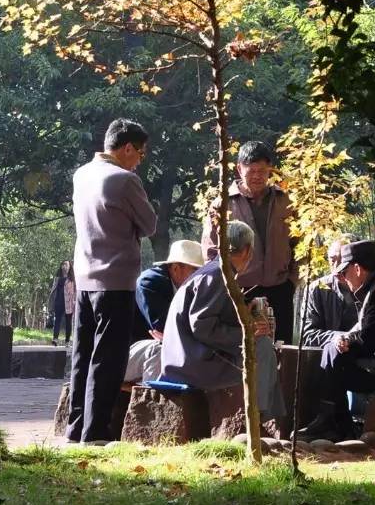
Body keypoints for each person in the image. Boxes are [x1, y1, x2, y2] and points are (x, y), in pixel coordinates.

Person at [67, 118, 157, 443]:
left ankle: (75, 428)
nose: (140, 160)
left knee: (83, 354)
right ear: (127, 148)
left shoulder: (82, 174)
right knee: (109, 358)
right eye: (141, 154)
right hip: (116, 279)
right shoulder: (124, 180)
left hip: (85, 276)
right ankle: (96, 433)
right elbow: (149, 224)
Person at [159, 220, 287, 420]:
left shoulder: (215, 271)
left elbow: (210, 315)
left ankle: (266, 419)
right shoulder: (218, 275)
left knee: (261, 346)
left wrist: (243, 312)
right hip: (191, 363)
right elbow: (202, 326)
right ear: (246, 250)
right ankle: (258, 418)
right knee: (260, 347)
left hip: (188, 357)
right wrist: (247, 333)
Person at [297, 239, 375, 440]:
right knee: (333, 350)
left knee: (334, 355)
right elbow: (364, 332)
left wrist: (345, 343)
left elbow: (369, 341)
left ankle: (335, 423)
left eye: (345, 273)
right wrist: (343, 340)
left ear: (357, 269)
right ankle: (336, 422)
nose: (343, 278)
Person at [201, 140, 298, 343]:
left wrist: (292, 281)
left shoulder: (285, 202)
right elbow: (211, 251)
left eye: (262, 170)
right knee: (245, 349)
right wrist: (227, 287)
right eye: (251, 170)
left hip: (280, 288)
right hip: (240, 291)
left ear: (270, 170)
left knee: (281, 349)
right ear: (239, 169)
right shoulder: (223, 204)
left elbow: (299, 244)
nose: (256, 176)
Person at [124, 239, 204, 383]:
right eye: (195, 270)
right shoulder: (150, 282)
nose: (200, 276)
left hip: (144, 354)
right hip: (125, 356)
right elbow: (165, 328)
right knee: (161, 349)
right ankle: (150, 402)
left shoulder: (190, 290)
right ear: (175, 268)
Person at [300, 235, 358, 349]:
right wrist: (339, 338)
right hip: (325, 358)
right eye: (332, 260)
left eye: (342, 260)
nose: (337, 266)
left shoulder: (369, 290)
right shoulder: (316, 290)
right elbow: (307, 335)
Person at [47, 260, 75, 346]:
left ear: (70, 267)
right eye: (63, 264)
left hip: (69, 303)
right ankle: (55, 339)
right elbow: (53, 291)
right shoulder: (57, 279)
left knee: (68, 322)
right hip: (58, 302)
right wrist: (51, 303)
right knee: (57, 321)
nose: (64, 266)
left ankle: (67, 341)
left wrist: (75, 302)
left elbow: (75, 292)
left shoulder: (72, 279)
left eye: (66, 264)